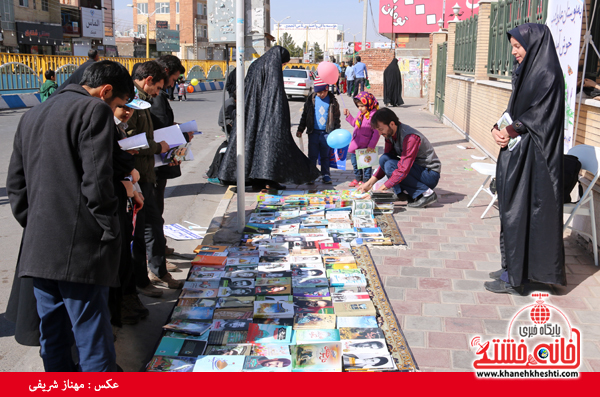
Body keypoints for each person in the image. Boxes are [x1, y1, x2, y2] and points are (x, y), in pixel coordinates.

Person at [6, 60, 135, 372]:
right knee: (92, 338)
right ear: (106, 91)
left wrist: (36, 225)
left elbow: (16, 186)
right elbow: (97, 182)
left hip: (40, 248)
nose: (119, 110)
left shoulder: (32, 114)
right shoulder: (94, 111)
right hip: (82, 249)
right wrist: (108, 230)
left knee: (53, 337)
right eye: (119, 103)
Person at [485, 24, 566, 295]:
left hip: (537, 161)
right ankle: (512, 267)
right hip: (520, 153)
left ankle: (516, 277)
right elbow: (515, 110)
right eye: (513, 47)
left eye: (518, 47)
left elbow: (539, 116)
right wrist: (498, 128)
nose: (514, 52)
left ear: (533, 45)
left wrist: (510, 130)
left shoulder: (547, 73)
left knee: (522, 214)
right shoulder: (528, 72)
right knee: (511, 212)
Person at [218, 46, 320, 190]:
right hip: (268, 116)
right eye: (283, 64)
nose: (283, 66)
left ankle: (256, 181)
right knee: (270, 147)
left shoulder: (256, 64)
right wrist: (280, 115)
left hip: (251, 114)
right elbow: (275, 93)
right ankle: (269, 180)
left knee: (253, 146)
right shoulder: (272, 66)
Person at [126, 61, 183, 296]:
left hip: (147, 173)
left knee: (153, 226)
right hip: (137, 176)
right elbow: (130, 142)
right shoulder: (130, 104)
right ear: (148, 80)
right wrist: (157, 146)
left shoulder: (143, 102)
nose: (159, 93)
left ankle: (158, 271)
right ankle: (142, 279)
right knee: (140, 232)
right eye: (158, 87)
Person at [358, 108, 441, 208]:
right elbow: (384, 162)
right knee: (384, 159)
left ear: (392, 124)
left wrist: (382, 188)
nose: (380, 133)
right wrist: (369, 183)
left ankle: (427, 194)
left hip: (429, 174)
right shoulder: (389, 135)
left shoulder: (410, 137)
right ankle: (401, 194)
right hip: (415, 171)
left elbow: (403, 168)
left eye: (381, 129)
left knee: (390, 165)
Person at [151, 55, 187, 261]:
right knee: (153, 212)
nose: (173, 84)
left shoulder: (157, 96)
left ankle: (159, 250)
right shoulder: (155, 97)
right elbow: (159, 128)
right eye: (173, 80)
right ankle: (156, 258)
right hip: (154, 163)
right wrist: (179, 134)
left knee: (156, 210)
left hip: (158, 160)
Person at [296, 77, 342, 184]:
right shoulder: (311, 100)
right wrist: (300, 129)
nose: (321, 94)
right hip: (313, 132)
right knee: (312, 155)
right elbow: (305, 116)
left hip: (327, 133)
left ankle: (325, 174)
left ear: (327, 89)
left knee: (325, 155)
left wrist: (336, 132)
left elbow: (336, 118)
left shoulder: (332, 101)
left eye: (324, 91)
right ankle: (311, 175)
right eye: (319, 92)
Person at [344, 92, 380, 187]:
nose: (360, 108)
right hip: (356, 144)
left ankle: (366, 180)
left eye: (362, 106)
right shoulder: (360, 114)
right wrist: (348, 116)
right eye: (358, 106)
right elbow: (355, 124)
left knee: (366, 165)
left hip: (366, 145)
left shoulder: (374, 116)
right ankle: (358, 178)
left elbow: (376, 133)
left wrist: (371, 146)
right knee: (355, 163)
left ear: (369, 104)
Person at [207, 92, 236, 185]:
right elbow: (233, 116)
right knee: (229, 145)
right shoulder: (231, 103)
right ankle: (217, 172)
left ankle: (214, 171)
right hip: (227, 124)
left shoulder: (231, 101)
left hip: (228, 123)